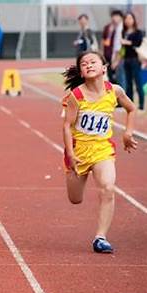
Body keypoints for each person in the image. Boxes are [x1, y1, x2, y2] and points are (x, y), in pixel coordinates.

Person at [61, 51, 137, 254]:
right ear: (82, 72)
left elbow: (131, 108)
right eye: (84, 64)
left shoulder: (115, 91)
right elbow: (67, 126)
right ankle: (75, 171)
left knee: (108, 188)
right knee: (75, 199)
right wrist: (71, 153)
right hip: (78, 152)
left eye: (93, 61)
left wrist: (127, 133)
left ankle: (100, 237)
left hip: (103, 149)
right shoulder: (76, 96)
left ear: (104, 68)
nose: (88, 65)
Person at [121, 12, 145, 110]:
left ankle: (141, 105)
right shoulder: (124, 32)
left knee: (138, 82)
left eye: (130, 18)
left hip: (135, 60)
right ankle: (130, 104)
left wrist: (126, 42)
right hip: (126, 60)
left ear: (134, 20)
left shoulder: (138, 32)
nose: (128, 20)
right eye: (126, 19)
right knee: (128, 83)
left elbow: (138, 43)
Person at [102, 10, 125, 87]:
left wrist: (117, 60)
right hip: (110, 55)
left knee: (121, 79)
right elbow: (104, 41)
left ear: (121, 17)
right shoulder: (110, 27)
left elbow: (122, 47)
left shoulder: (122, 28)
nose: (115, 18)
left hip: (119, 57)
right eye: (113, 16)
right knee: (113, 77)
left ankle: (121, 97)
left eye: (117, 16)